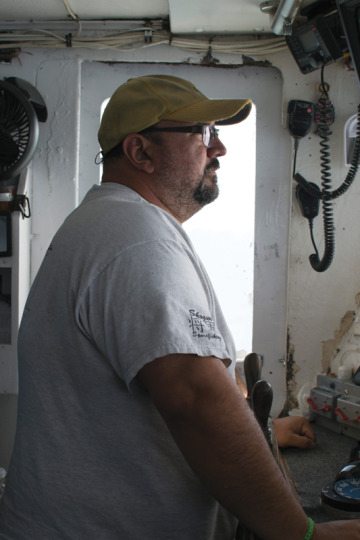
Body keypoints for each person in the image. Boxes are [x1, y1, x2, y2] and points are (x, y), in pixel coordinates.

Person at [0, 74, 359, 540]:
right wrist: (301, 535)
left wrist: (263, 429)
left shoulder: (108, 224)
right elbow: (194, 399)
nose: (220, 149)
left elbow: (153, 397)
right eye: (204, 132)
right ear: (140, 152)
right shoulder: (134, 239)